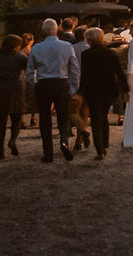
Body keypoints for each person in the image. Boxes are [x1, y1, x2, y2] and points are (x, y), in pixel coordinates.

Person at [26, 18, 80, 162]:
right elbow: (74, 69)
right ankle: (64, 141)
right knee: (63, 116)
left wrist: (34, 84)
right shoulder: (67, 46)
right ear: (57, 29)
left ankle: (48, 153)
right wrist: (73, 86)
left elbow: (30, 71)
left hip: (43, 84)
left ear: (43, 31)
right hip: (61, 83)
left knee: (44, 120)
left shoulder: (36, 48)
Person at [79, 27, 130, 159]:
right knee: (104, 116)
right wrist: (125, 89)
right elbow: (118, 72)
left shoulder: (86, 55)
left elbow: (84, 75)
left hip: (92, 89)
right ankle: (105, 143)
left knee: (95, 119)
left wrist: (80, 90)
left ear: (89, 39)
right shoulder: (110, 53)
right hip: (108, 88)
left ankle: (100, 149)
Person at [69, 27, 91, 150]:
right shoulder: (89, 48)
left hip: (75, 83)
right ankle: (80, 139)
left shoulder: (72, 48)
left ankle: (82, 133)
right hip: (87, 84)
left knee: (73, 112)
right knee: (84, 113)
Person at [20, 32, 37, 127]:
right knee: (33, 98)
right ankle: (33, 117)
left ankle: (21, 119)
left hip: (22, 77)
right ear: (32, 41)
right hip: (33, 77)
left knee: (22, 98)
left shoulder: (19, 52)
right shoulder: (33, 51)